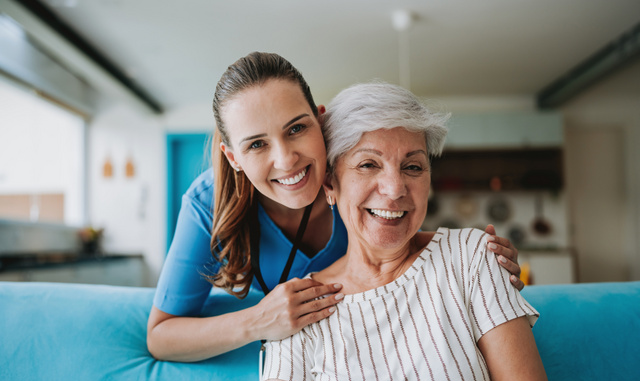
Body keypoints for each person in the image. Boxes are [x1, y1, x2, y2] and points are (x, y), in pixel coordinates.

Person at [147, 52, 524, 362]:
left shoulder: (352, 175)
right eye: (256, 145)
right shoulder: (208, 202)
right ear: (233, 158)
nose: (287, 160)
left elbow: (394, 238)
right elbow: (161, 336)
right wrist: (259, 321)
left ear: (320, 120)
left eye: (296, 129)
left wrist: (472, 256)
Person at [261, 82, 551, 381]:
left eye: (412, 167)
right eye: (368, 164)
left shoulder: (472, 256)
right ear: (329, 184)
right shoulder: (298, 308)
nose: (395, 189)